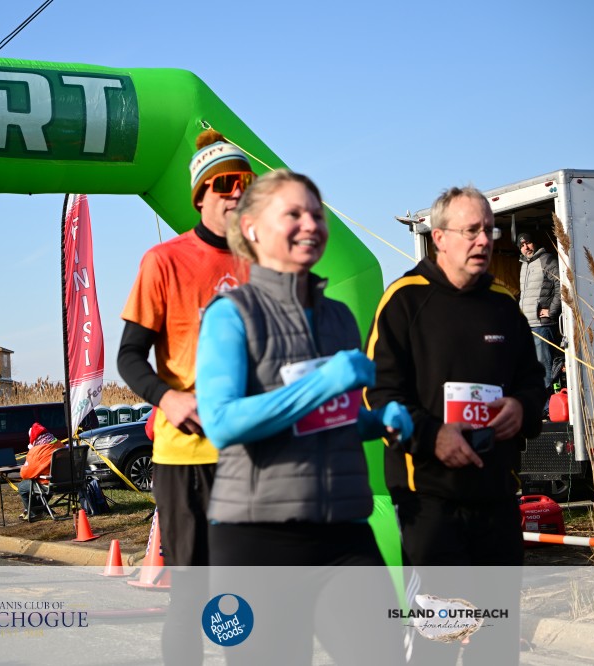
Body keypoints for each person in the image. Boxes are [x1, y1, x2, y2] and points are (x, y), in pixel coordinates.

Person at [196, 169, 409, 665]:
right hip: (258, 540)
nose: (311, 224)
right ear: (251, 228)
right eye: (293, 214)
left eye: (317, 213)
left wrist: (376, 422)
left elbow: (328, 420)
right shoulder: (230, 314)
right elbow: (222, 422)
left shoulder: (339, 317)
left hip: (344, 531)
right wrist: (325, 382)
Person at [364, 186, 546, 666]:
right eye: (471, 231)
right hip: (429, 501)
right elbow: (376, 395)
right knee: (438, 643)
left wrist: (523, 407)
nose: (484, 240)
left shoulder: (504, 305)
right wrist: (432, 436)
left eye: (489, 230)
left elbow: (534, 381)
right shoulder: (404, 300)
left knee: (496, 643)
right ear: (439, 237)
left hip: (496, 497)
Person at [118, 129, 254, 664]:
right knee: (193, 595)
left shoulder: (265, 264)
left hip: (250, 454)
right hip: (186, 455)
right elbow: (130, 356)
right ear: (200, 195)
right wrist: (168, 399)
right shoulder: (164, 260)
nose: (235, 191)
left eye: (244, 182)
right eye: (222, 183)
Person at [517, 231, 562, 394]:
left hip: (542, 325)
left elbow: (561, 285)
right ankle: (537, 403)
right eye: (522, 245)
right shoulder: (525, 264)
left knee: (544, 368)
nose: (526, 247)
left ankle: (547, 405)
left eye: (528, 243)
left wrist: (552, 311)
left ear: (534, 243)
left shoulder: (547, 260)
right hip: (527, 325)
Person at [16, 423, 64, 521]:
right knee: (46, 481)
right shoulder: (60, 444)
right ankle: (40, 509)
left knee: (22, 486)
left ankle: (34, 513)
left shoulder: (37, 451)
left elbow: (25, 474)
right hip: (67, 482)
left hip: (49, 484)